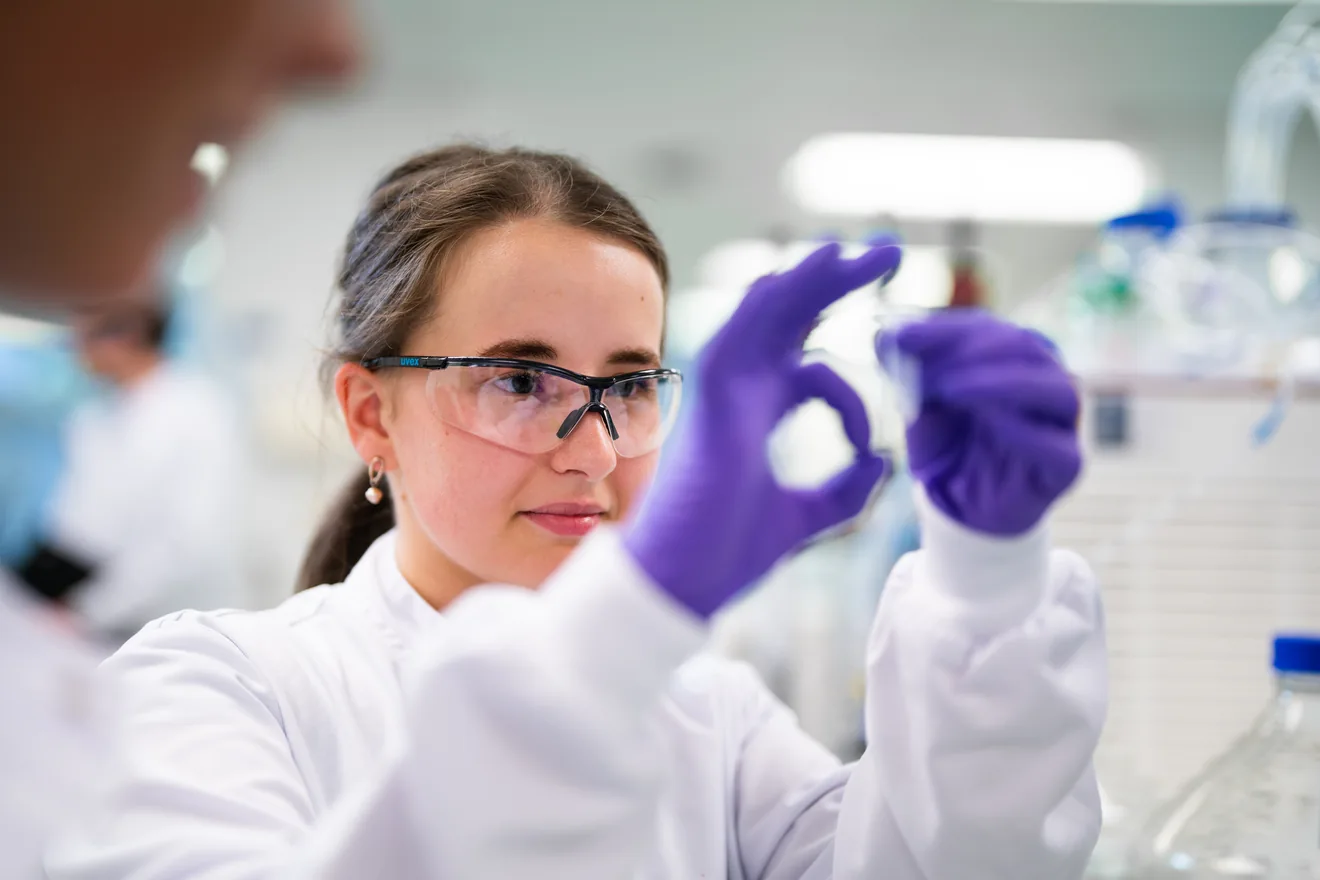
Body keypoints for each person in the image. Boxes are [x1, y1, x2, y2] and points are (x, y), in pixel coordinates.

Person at [49, 145, 1107, 880]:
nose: (595, 449)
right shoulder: (212, 686)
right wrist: (637, 611)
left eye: (630, 384)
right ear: (371, 413)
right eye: (520, 381)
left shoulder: (712, 712)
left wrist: (987, 578)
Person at [0, 3, 361, 876]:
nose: (334, 53)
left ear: (123, 332)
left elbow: (171, 542)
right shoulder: (110, 415)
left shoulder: (184, 413)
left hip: (130, 625)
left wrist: (70, 612)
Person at [14, 300, 245, 644]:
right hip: (91, 604)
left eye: (82, 335)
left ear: (127, 334)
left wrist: (88, 611)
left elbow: (183, 541)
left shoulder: (193, 411)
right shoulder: (100, 412)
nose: (74, 349)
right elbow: (83, 520)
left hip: (157, 623)